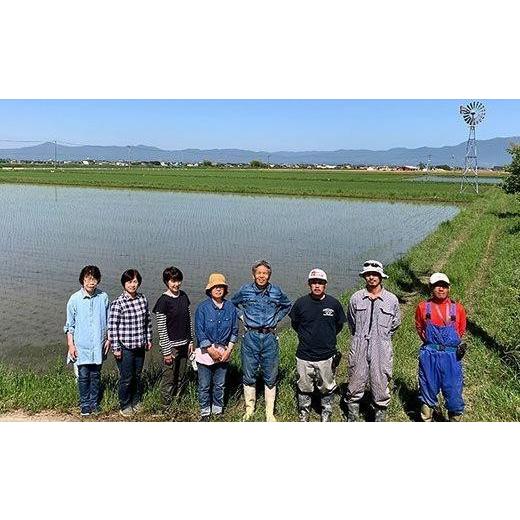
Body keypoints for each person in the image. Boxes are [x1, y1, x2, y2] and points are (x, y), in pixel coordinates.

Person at [230, 260, 292, 421]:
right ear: (253, 275)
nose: (262, 276)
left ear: (269, 275)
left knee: (271, 375)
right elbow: (232, 303)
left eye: (265, 273)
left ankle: (269, 412)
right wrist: (242, 316)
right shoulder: (245, 290)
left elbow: (287, 305)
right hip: (250, 336)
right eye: (259, 273)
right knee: (249, 373)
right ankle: (249, 409)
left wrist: (276, 319)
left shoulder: (276, 291)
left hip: (270, 337)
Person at [345, 260, 401, 422]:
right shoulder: (356, 298)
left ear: (381, 277)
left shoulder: (391, 300)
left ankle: (380, 415)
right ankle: (353, 415)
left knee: (381, 379)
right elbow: (352, 322)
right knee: (355, 377)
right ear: (364, 277)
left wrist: (381, 337)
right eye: (368, 274)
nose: (371, 277)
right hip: (360, 343)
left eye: (375, 274)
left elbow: (395, 323)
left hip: (381, 346)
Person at [290, 268, 346, 422]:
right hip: (304, 354)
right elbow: (295, 324)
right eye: (314, 282)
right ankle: (304, 413)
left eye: (320, 283)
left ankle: (326, 412)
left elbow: (339, 326)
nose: (317, 285)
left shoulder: (333, 303)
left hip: (326, 355)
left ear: (325, 285)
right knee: (304, 386)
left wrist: (326, 337)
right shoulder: (300, 303)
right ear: (309, 284)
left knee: (327, 386)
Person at [415, 272, 467, 422]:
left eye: (444, 286)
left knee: (453, 390)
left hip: (451, 357)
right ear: (431, 288)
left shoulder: (458, 309)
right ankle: (426, 419)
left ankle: (454, 419)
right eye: (437, 286)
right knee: (427, 387)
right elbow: (420, 328)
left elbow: (461, 329)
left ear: (449, 288)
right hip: (429, 355)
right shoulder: (422, 307)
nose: (441, 289)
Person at [64, 265, 110, 417]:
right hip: (81, 345)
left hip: (98, 344)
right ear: (82, 280)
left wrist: (109, 339)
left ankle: (94, 403)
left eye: (94, 279)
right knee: (83, 376)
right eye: (88, 279)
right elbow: (70, 326)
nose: (91, 282)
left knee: (96, 375)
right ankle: (84, 405)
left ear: (98, 280)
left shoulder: (103, 297)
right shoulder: (74, 299)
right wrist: (71, 345)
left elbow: (108, 321)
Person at [108, 269, 153, 418]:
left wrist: (148, 339)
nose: (132, 285)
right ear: (124, 283)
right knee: (126, 378)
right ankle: (125, 404)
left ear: (138, 282)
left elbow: (147, 321)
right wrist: (116, 348)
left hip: (140, 345)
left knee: (137, 375)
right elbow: (112, 327)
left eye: (135, 281)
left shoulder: (142, 299)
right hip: (125, 347)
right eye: (129, 282)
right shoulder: (118, 303)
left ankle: (136, 400)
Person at [194, 273, 239, 421]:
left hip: (224, 351)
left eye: (221, 287)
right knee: (204, 385)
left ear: (225, 290)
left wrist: (229, 350)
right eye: (215, 287)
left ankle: (218, 410)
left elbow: (234, 330)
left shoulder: (231, 307)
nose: (218, 289)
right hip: (205, 352)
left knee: (220, 384)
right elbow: (199, 331)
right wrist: (210, 350)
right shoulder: (202, 308)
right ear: (210, 289)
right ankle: (205, 412)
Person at [152, 266, 194, 408]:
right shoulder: (163, 301)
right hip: (171, 347)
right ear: (166, 282)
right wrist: (166, 351)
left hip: (184, 345)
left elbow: (188, 320)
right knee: (169, 377)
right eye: (172, 281)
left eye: (178, 280)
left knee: (181, 376)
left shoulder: (184, 296)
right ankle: (165, 406)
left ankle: (178, 401)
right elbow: (161, 329)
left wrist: (191, 340)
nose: (176, 284)